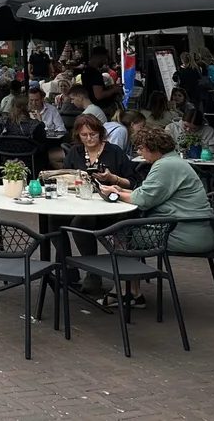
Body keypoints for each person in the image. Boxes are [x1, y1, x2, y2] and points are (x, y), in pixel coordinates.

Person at [99, 126, 214, 307]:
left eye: (140, 148)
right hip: (194, 229)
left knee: (122, 232)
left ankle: (123, 292)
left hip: (185, 233)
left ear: (151, 147)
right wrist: (122, 190)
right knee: (127, 228)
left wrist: (112, 193)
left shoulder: (165, 166)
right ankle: (133, 293)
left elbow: (144, 200)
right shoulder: (173, 161)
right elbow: (150, 194)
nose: (139, 152)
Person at [55, 114, 140, 293]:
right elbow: (66, 176)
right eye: (84, 135)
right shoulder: (75, 152)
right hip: (79, 202)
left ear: (100, 133)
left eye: (92, 134)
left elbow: (133, 182)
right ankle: (68, 266)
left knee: (80, 223)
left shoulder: (114, 152)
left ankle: (93, 273)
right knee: (51, 220)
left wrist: (112, 178)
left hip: (110, 207)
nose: (88, 139)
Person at [81, 45, 123, 120]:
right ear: (100, 56)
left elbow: (92, 89)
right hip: (102, 108)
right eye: (105, 58)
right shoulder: (95, 74)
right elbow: (98, 95)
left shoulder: (85, 71)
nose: (105, 61)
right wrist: (114, 90)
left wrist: (109, 87)